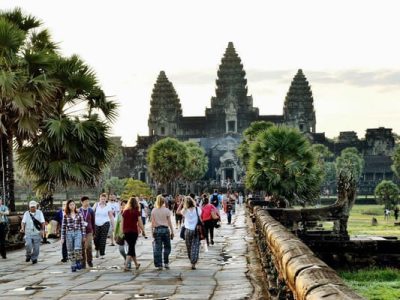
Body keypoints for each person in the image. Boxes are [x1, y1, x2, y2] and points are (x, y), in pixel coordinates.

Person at [177, 196, 202, 270]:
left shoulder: (185, 210)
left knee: (189, 246)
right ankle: (193, 262)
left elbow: (177, 211)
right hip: (196, 229)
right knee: (195, 246)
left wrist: (181, 203)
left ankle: (191, 259)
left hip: (187, 230)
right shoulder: (197, 209)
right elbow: (200, 218)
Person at [61, 199, 86, 272]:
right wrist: (62, 237)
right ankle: (73, 264)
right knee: (70, 250)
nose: (72, 206)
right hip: (69, 233)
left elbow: (82, 225)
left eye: (73, 204)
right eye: (70, 205)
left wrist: (84, 235)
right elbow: (63, 227)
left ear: (75, 205)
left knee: (77, 248)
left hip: (78, 232)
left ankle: (78, 260)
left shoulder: (79, 214)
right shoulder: (66, 215)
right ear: (68, 206)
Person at [151, 194, 174, 270]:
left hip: (157, 230)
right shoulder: (167, 210)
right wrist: (172, 231)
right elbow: (169, 222)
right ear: (163, 201)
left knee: (158, 248)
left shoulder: (154, 210)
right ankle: (166, 262)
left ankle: (159, 264)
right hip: (165, 229)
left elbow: (152, 222)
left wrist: (152, 231)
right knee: (167, 247)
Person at [121, 196, 144, 271]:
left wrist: (122, 231)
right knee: (131, 248)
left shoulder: (125, 211)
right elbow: (140, 223)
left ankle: (136, 264)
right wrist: (143, 231)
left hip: (126, 232)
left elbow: (122, 222)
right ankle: (126, 265)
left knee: (132, 247)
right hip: (134, 232)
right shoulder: (136, 212)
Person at [93, 193, 114, 259]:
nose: (103, 200)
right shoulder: (96, 205)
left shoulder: (108, 206)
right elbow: (91, 212)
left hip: (105, 223)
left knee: (103, 239)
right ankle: (97, 250)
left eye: (104, 199)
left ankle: (102, 253)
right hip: (96, 224)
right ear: (99, 198)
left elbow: (111, 216)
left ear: (106, 199)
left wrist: (113, 226)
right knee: (96, 238)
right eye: (101, 199)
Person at [79, 196, 95, 268]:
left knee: (88, 246)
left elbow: (93, 221)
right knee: (82, 247)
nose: (87, 203)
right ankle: (83, 262)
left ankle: (89, 260)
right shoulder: (78, 211)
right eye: (85, 201)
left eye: (88, 201)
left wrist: (94, 231)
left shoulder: (91, 210)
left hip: (89, 231)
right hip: (80, 231)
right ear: (82, 202)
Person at [114, 200, 129, 267]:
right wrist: (115, 234)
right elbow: (117, 224)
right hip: (121, 234)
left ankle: (128, 263)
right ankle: (126, 258)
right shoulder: (120, 214)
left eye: (124, 205)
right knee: (121, 249)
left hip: (129, 234)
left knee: (129, 249)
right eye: (122, 205)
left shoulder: (130, 213)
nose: (123, 206)